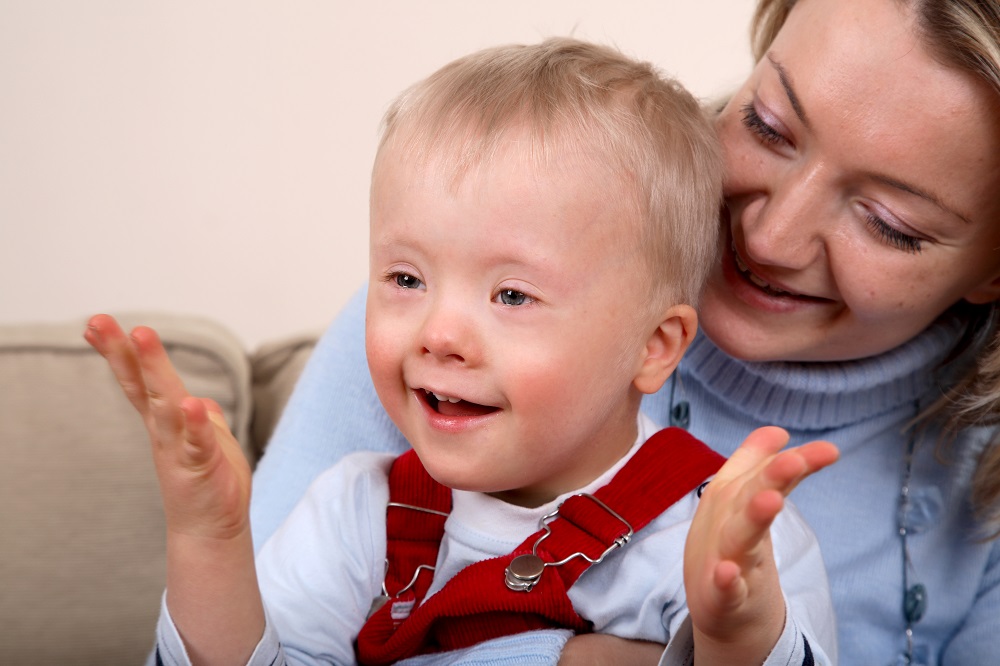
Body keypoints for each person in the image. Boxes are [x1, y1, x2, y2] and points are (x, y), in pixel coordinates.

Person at [245, 0, 1000, 664]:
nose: (771, 236)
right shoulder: (441, 330)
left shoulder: (976, 476)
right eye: (767, 125)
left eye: (889, 224)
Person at [86, 39, 839, 665]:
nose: (438, 334)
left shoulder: (715, 536)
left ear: (654, 346)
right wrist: (209, 539)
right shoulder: (359, 515)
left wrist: (733, 628)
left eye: (511, 296)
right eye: (407, 278)